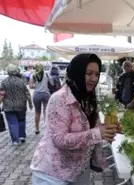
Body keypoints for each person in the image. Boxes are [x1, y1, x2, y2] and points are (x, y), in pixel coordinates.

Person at [30, 53, 118, 185]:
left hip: (78, 172)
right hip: (52, 175)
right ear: (77, 72)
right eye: (89, 73)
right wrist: (97, 133)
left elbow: (92, 128)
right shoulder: (60, 98)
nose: (94, 79)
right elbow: (60, 139)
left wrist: (109, 128)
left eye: (97, 74)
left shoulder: (88, 98)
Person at [0, 64, 33, 145]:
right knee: (21, 120)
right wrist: (30, 103)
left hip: (8, 106)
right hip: (21, 105)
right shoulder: (21, 82)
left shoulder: (3, 82)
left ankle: (15, 140)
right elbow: (27, 93)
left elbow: (1, 94)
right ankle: (22, 136)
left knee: (12, 123)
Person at [29, 64, 54, 134]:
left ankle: (37, 129)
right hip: (46, 94)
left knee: (37, 112)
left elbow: (30, 86)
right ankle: (46, 129)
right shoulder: (47, 74)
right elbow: (52, 84)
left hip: (37, 94)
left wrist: (36, 87)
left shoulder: (33, 75)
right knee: (46, 112)